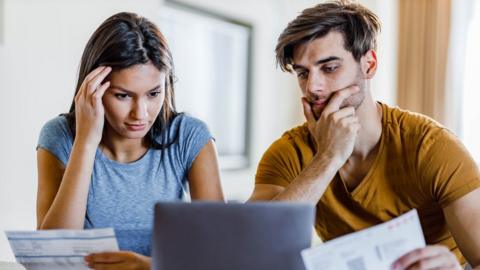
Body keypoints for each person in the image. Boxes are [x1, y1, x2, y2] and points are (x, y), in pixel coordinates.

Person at [249, 1, 480, 269]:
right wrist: (328, 157)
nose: (313, 88)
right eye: (303, 73)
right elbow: (254, 250)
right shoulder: (288, 152)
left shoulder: (432, 147)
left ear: (369, 65)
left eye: (329, 68)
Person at [36, 12, 224, 270]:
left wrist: (150, 267)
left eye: (154, 93)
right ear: (94, 87)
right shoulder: (59, 136)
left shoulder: (189, 137)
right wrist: (86, 142)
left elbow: (222, 251)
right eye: (123, 95)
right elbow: (51, 256)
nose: (141, 113)